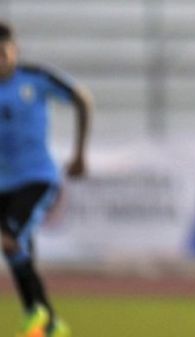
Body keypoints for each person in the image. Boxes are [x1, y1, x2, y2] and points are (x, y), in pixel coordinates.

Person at [0, 21, 92, 337]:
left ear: (15, 50)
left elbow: (81, 98)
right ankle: (51, 325)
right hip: (2, 184)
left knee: (9, 240)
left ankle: (35, 313)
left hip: (36, 178)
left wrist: (80, 154)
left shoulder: (35, 79)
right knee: (18, 248)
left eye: (3, 51)